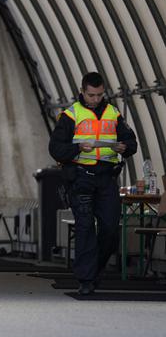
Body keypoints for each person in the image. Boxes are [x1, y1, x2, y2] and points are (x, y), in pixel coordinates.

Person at [48, 71, 137, 295]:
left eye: (99, 95)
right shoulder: (70, 115)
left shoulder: (113, 113)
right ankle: (86, 280)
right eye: (91, 95)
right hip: (81, 178)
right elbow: (56, 149)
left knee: (110, 228)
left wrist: (124, 147)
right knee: (85, 227)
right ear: (82, 92)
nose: (95, 99)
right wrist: (78, 147)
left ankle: (94, 269)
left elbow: (131, 141)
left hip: (107, 178)